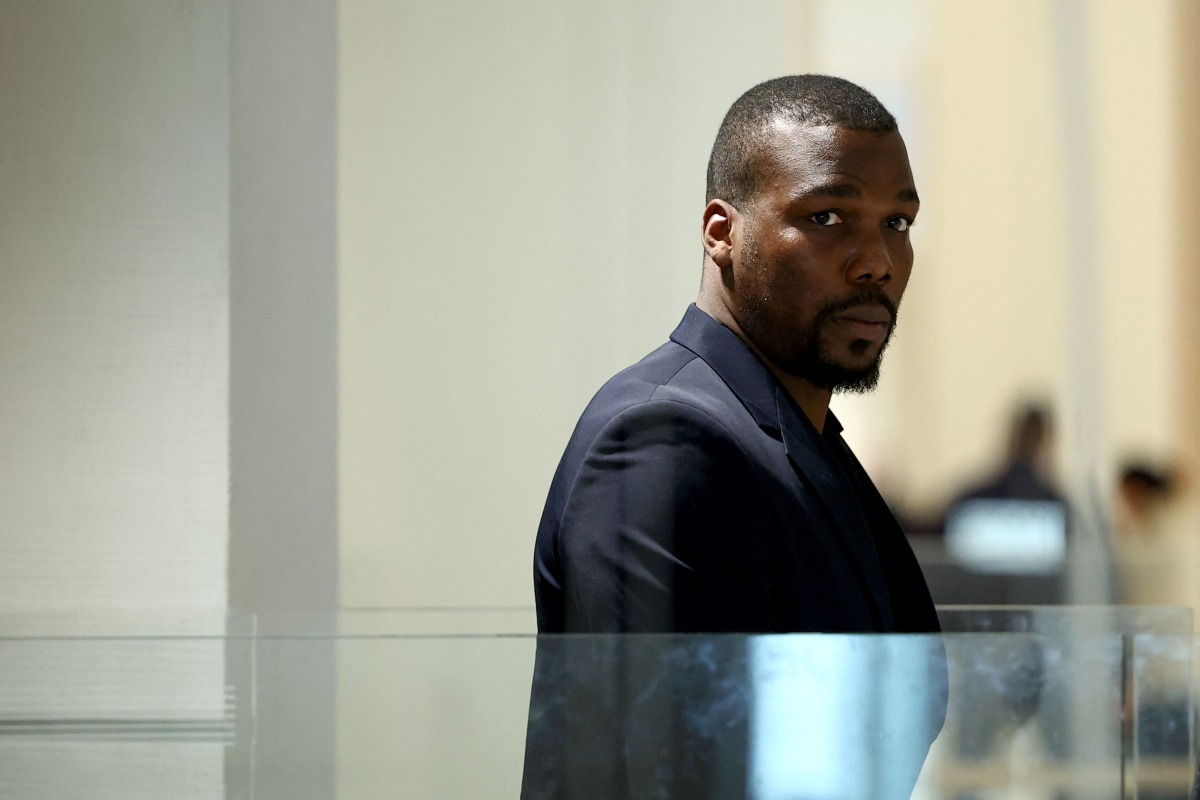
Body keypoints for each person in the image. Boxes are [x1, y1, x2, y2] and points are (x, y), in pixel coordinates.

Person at [523, 75, 945, 800]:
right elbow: (684, 776)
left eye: (897, 224)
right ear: (723, 232)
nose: (876, 261)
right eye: (827, 218)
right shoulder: (665, 439)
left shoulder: (793, 436)